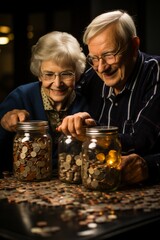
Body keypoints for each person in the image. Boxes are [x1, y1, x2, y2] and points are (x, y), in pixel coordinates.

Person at [57, 10, 160, 185]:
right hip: (99, 187)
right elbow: (55, 94)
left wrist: (90, 133)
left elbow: (141, 141)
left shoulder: (155, 73)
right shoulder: (91, 76)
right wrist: (15, 108)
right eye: (94, 58)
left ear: (134, 46)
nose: (101, 67)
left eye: (109, 55)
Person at [0, 31, 88, 175]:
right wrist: (3, 124)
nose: (57, 83)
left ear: (77, 74)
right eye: (49, 74)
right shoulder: (20, 97)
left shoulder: (86, 103)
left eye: (66, 74)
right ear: (39, 74)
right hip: (25, 183)